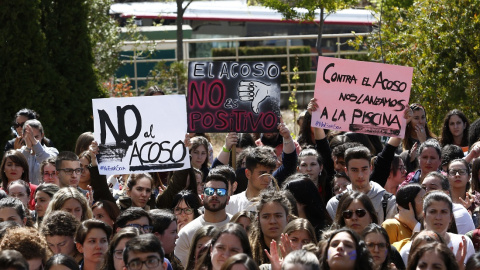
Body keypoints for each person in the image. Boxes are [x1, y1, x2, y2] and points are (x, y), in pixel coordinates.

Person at [326, 146, 397, 224]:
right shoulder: (335, 204)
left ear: (371, 169)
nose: (360, 175)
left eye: (364, 169)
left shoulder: (389, 202)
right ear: (346, 171)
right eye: (354, 170)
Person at [400, 191, 475, 266]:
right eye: (433, 212)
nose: (438, 217)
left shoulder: (463, 244)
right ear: (424, 215)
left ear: (451, 217)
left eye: (443, 212)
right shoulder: (408, 250)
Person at [175, 174, 231, 266]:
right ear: (202, 197)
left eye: (221, 192)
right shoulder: (186, 233)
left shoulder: (238, 225)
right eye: (209, 191)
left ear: (228, 199)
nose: (214, 195)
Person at [249, 190, 292, 266]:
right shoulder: (249, 253)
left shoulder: (296, 248)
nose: (272, 221)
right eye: (266, 217)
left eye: (278, 216)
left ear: (287, 218)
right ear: (258, 220)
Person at [18, 119, 58, 185]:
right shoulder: (19, 152)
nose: (32, 139)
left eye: (36, 137)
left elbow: (49, 162)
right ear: (23, 136)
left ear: (42, 135)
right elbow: (18, 165)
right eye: (29, 137)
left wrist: (35, 144)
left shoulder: (52, 151)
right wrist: (27, 148)